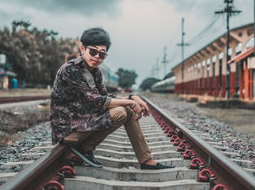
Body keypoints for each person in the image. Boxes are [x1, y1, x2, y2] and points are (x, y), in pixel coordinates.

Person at [50, 27, 174, 169]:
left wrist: (132, 96)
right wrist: (131, 102)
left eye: (102, 54)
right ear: (83, 49)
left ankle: (146, 160)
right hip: (68, 131)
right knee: (121, 111)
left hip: (82, 123)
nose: (97, 57)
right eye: (93, 51)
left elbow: (105, 96)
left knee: (127, 110)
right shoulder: (70, 70)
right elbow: (96, 101)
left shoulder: (95, 71)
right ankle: (85, 148)